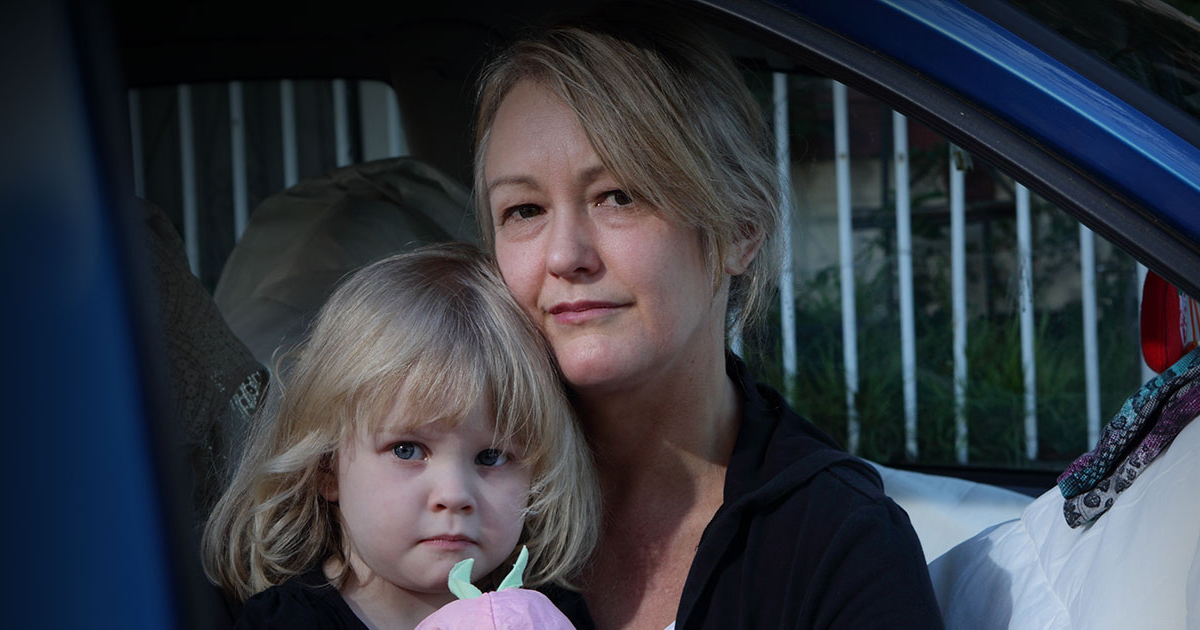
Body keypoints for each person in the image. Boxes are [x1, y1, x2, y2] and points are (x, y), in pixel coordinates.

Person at [473, 13, 945, 630]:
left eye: (619, 196)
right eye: (524, 209)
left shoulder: (838, 541)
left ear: (741, 227)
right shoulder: (433, 496)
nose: (564, 256)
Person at [201, 242, 600, 629]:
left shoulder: (546, 615)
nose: (454, 495)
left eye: (492, 457)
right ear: (326, 466)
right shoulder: (287, 623)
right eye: (407, 450)